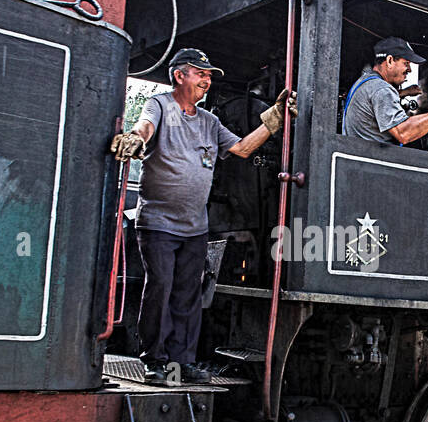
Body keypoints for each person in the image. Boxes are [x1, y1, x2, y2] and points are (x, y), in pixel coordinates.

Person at [111, 48, 293, 384]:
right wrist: (135, 140)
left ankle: (181, 363)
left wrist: (274, 118)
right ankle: (154, 361)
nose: (207, 81)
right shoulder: (160, 105)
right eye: (201, 74)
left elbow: (241, 148)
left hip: (195, 227)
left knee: (188, 294)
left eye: (209, 76)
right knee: (160, 287)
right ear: (180, 75)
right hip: (158, 223)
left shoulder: (210, 122)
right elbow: (144, 127)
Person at [342, 37, 428, 145]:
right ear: (390, 61)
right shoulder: (381, 89)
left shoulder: (366, 82)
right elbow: (404, 133)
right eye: (406, 63)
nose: (410, 69)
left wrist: (404, 93)